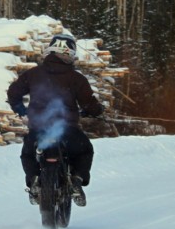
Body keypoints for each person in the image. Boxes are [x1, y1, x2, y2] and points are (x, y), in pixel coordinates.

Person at [7, 33, 104, 207]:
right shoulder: (76, 78)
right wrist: (96, 111)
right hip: (67, 130)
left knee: (28, 154)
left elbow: (13, 92)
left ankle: (34, 181)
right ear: (71, 54)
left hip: (38, 129)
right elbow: (89, 103)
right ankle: (77, 179)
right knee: (85, 151)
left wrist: (21, 110)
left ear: (50, 51)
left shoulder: (33, 74)